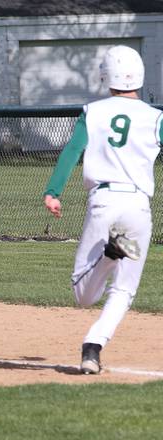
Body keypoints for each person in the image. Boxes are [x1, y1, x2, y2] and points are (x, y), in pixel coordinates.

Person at [42, 45, 162, 375]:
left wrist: (53, 191)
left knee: (83, 295)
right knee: (124, 290)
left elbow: (72, 151)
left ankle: (110, 255)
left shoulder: (93, 111)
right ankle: (92, 347)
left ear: (105, 76)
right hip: (138, 206)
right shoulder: (156, 117)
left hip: (104, 202)